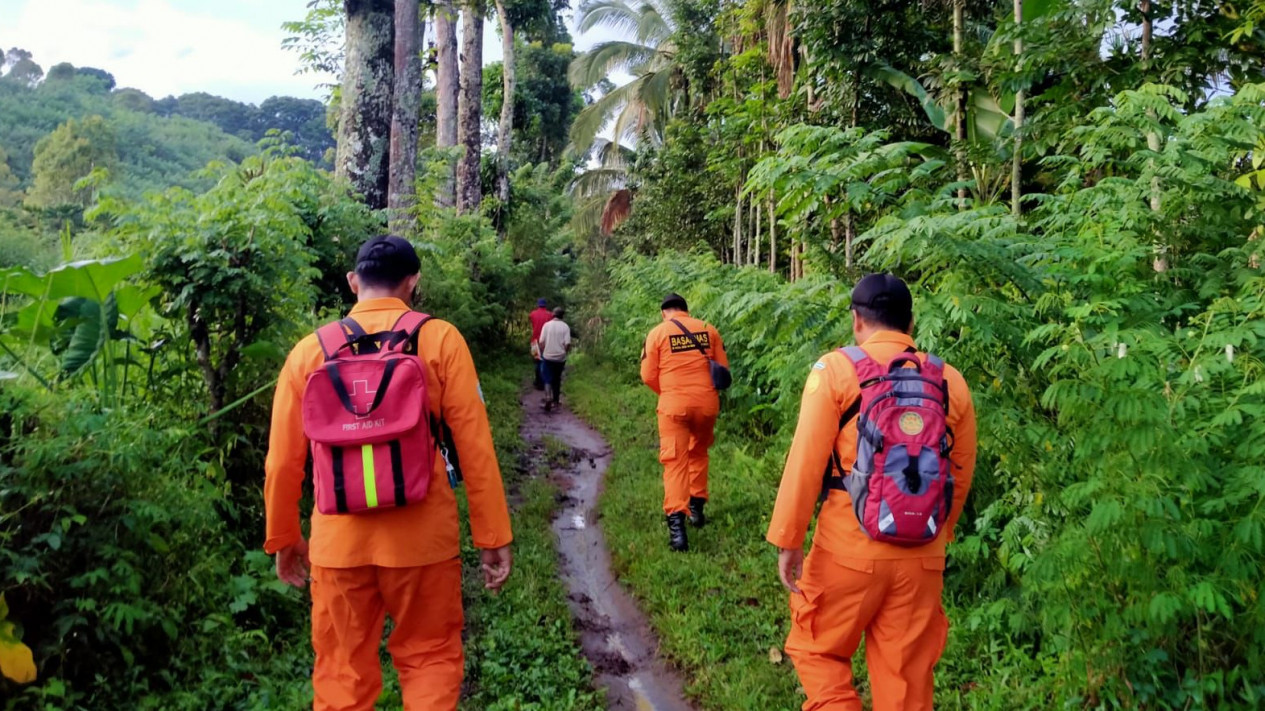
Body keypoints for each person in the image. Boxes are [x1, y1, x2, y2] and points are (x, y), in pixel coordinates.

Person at [263, 235, 514, 711]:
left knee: (341, 674)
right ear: (413, 282)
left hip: (338, 546)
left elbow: (281, 462)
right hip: (423, 542)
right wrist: (492, 535)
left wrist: (283, 537)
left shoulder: (308, 352)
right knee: (431, 659)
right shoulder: (440, 339)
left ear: (353, 282)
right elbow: (475, 448)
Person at [766, 273, 977, 711]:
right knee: (905, 682)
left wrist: (789, 539)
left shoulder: (836, 371)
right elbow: (960, 470)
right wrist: (939, 535)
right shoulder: (949, 381)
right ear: (911, 322)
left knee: (817, 650)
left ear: (856, 321)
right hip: (923, 555)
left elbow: (805, 462)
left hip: (848, 550)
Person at [640, 292, 728, 552]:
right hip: (706, 405)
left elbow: (647, 375)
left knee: (675, 462)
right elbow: (723, 370)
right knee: (698, 453)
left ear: (663, 312)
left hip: (674, 407)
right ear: (686, 310)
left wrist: (667, 393)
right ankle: (697, 508)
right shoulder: (707, 329)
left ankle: (678, 532)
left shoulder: (657, 333)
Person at [537, 306, 571, 412]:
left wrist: (543, 351)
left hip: (548, 356)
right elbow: (567, 344)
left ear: (553, 314)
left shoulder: (546, 325)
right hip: (560, 358)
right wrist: (564, 352)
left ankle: (548, 397)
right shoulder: (565, 327)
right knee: (557, 379)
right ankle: (556, 401)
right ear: (562, 316)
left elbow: (541, 342)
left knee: (547, 378)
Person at [529, 298, 552, 390]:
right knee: (545, 361)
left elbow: (531, 321)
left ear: (538, 304)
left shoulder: (532, 314)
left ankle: (537, 382)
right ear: (545, 305)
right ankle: (544, 382)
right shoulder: (549, 315)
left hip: (534, 341)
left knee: (537, 362)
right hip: (546, 341)